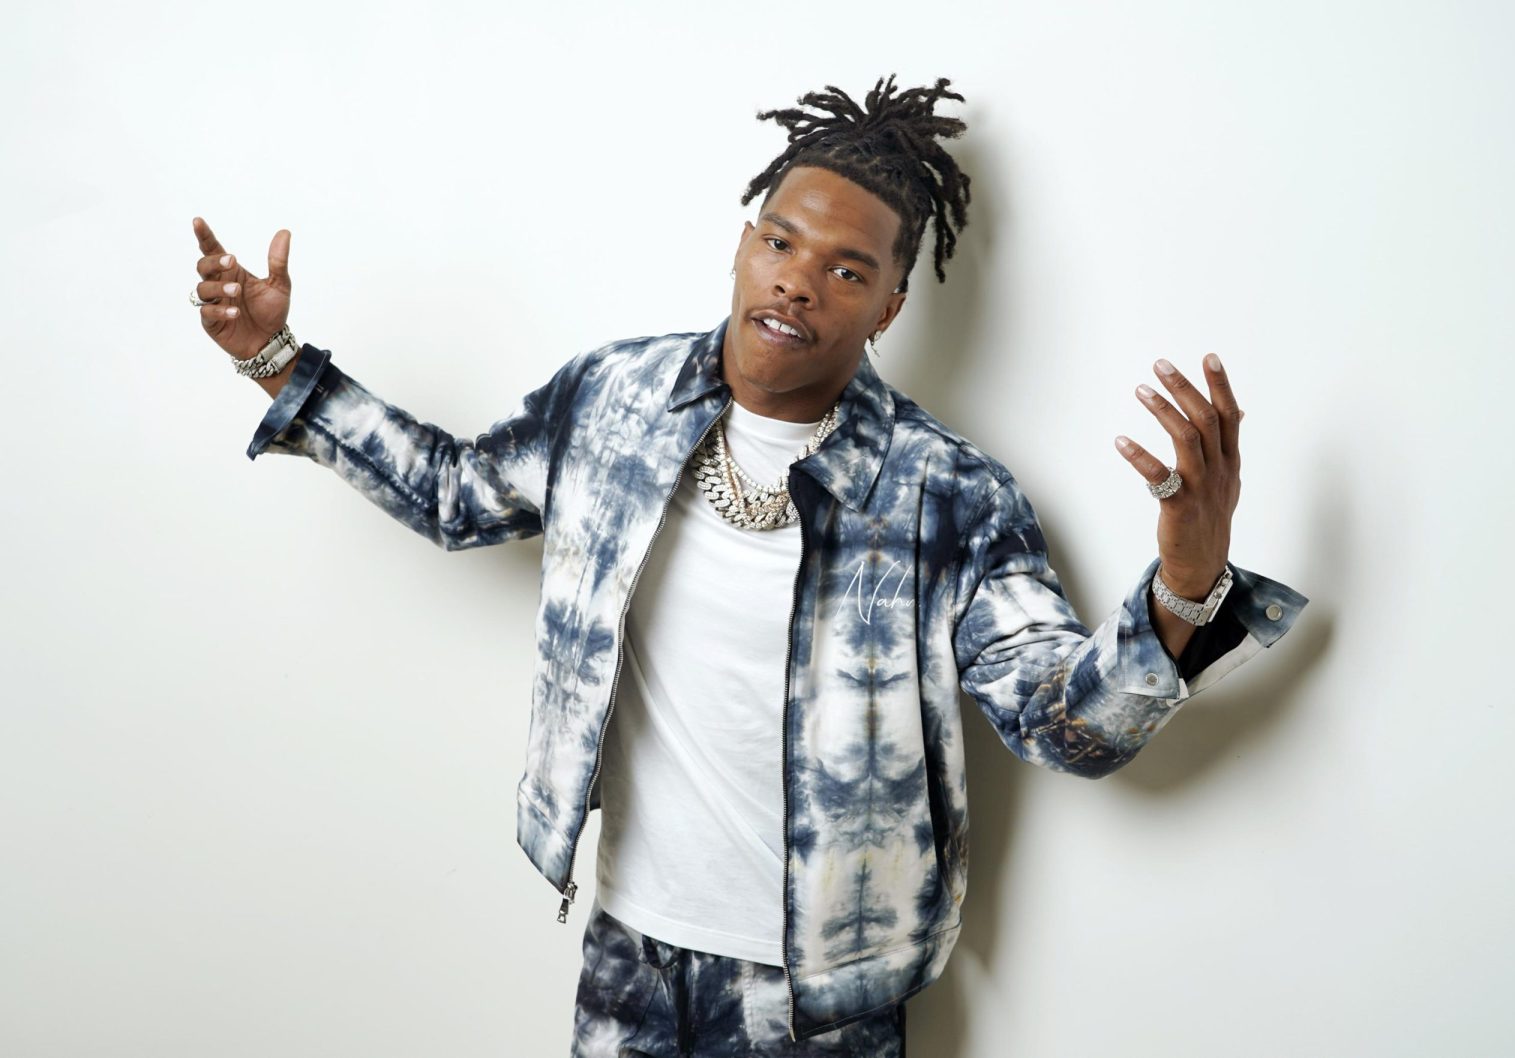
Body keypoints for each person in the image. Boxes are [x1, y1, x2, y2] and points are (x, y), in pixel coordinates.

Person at [189, 75, 1306, 1057]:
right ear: (742, 244)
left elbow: (1065, 725)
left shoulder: (947, 493)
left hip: (820, 1001)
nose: (798, 283)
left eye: (845, 268)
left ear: (889, 305)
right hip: (626, 952)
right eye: (780, 243)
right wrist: (276, 360)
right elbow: (453, 493)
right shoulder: (614, 399)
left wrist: (1184, 586)